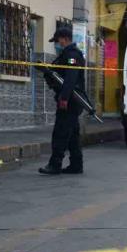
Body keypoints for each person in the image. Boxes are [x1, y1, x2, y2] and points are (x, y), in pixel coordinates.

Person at [39, 27, 85, 175]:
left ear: (64, 39)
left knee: (61, 132)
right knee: (72, 134)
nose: (56, 44)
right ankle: (76, 165)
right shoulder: (67, 54)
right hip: (71, 100)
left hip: (70, 100)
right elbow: (59, 74)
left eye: (57, 41)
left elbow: (70, 78)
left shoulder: (72, 55)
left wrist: (64, 98)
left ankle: (55, 164)